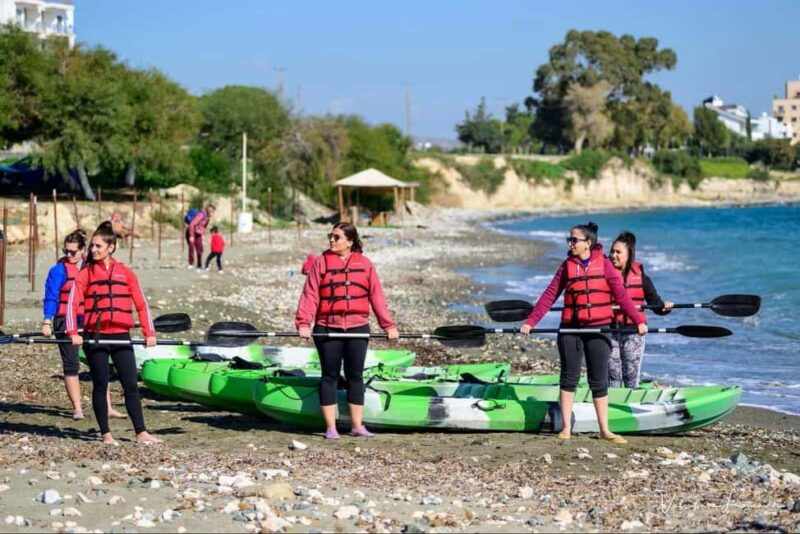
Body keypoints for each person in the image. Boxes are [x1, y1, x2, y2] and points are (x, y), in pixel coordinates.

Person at [519, 222, 647, 444]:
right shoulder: (567, 266)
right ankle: (566, 428)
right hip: (571, 329)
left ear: (588, 243)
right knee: (569, 378)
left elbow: (621, 296)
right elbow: (550, 295)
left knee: (598, 380)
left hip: (599, 329)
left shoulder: (605, 265)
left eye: (574, 240)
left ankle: (605, 430)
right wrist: (531, 321)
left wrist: (638, 320)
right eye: (569, 239)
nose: (570, 243)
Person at [295, 222, 399, 440]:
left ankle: (357, 426)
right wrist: (304, 323)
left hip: (357, 328)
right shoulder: (321, 262)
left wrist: (388, 325)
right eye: (330, 236)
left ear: (350, 242)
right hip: (327, 328)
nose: (331, 240)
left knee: (355, 375)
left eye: (337, 237)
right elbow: (310, 294)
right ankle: (331, 428)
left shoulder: (365, 264)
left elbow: (376, 296)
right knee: (329, 375)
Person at [66, 221, 162, 445]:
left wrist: (149, 332)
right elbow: (72, 304)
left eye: (98, 246)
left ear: (111, 248)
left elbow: (141, 304)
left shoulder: (125, 273)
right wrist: (73, 332)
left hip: (120, 335)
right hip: (95, 336)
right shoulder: (86, 273)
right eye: (92, 246)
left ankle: (141, 432)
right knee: (101, 384)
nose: (93, 250)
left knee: (131, 384)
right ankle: (106, 434)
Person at [41, 230, 126, 420]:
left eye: (73, 252)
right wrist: (47, 321)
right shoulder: (58, 270)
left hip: (89, 320)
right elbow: (51, 297)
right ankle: (78, 409)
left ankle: (107, 407)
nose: (69, 255)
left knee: (100, 363)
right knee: (71, 364)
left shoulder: (91, 267)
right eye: (66, 251)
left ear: (82, 251)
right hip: (65, 320)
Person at [608, 231, 673, 388]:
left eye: (618, 252)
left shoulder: (641, 278)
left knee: (630, 377)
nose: (613, 255)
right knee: (613, 375)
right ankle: (610, 401)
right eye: (612, 251)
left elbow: (655, 303)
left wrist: (664, 308)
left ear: (629, 254)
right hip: (610, 331)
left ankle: (631, 398)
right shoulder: (604, 276)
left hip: (634, 332)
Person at [186, 204, 215, 269]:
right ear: (208, 211)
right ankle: (190, 264)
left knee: (200, 250)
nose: (212, 213)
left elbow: (203, 227)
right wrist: (191, 235)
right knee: (191, 248)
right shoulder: (201, 215)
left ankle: (199, 265)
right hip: (191, 232)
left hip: (198, 234)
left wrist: (203, 234)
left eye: (213, 212)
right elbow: (192, 224)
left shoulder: (207, 218)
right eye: (211, 211)